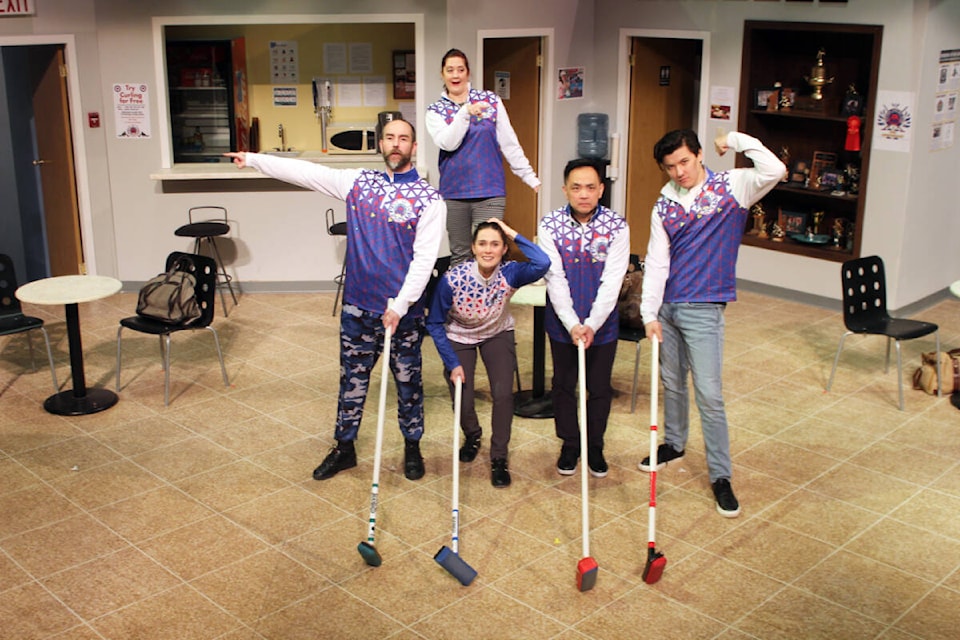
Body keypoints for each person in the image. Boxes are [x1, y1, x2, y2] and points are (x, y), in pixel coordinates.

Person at [224, 118, 445, 482]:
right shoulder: (358, 183)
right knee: (352, 380)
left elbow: (424, 260)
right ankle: (344, 448)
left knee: (408, 383)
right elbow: (306, 172)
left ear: (414, 147)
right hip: (359, 306)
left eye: (403, 139)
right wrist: (254, 159)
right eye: (390, 138)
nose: (396, 144)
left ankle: (412, 446)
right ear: (381, 144)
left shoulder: (429, 199)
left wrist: (400, 306)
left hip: (402, 314)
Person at [638, 129, 785, 517]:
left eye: (684, 162)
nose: (679, 172)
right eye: (670, 167)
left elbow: (776, 168)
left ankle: (721, 475)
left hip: (704, 308)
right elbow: (656, 262)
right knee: (672, 382)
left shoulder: (733, 186)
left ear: (700, 155)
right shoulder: (664, 204)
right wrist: (649, 314)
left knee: (709, 393)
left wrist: (735, 139)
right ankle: (674, 443)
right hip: (668, 306)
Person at [426, 218, 550, 488]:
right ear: (473, 247)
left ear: (504, 249)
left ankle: (499, 457)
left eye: (495, 244)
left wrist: (510, 231)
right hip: (460, 335)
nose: (488, 250)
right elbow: (434, 322)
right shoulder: (453, 279)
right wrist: (452, 362)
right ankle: (472, 435)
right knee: (463, 398)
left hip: (497, 332)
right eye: (482, 243)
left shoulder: (510, 272)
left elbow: (542, 263)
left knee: (504, 394)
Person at [538, 158, 629, 478]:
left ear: (601, 189)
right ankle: (570, 444)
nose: (584, 194)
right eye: (576, 187)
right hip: (563, 324)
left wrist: (591, 323)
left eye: (591, 187)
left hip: (602, 326)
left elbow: (613, 281)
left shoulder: (617, 227)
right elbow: (555, 278)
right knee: (563, 385)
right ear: (565, 190)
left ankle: (595, 444)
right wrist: (573, 323)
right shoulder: (549, 225)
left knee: (599, 387)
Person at [426, 48, 540, 266]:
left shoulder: (490, 101)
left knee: (488, 255)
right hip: (454, 193)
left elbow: (509, 142)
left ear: (468, 73)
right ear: (442, 75)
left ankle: (489, 301)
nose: (456, 75)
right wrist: (465, 112)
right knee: (460, 255)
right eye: (450, 70)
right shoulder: (435, 111)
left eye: (460, 69)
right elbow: (448, 143)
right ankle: (460, 301)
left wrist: (528, 176)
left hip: (489, 191)